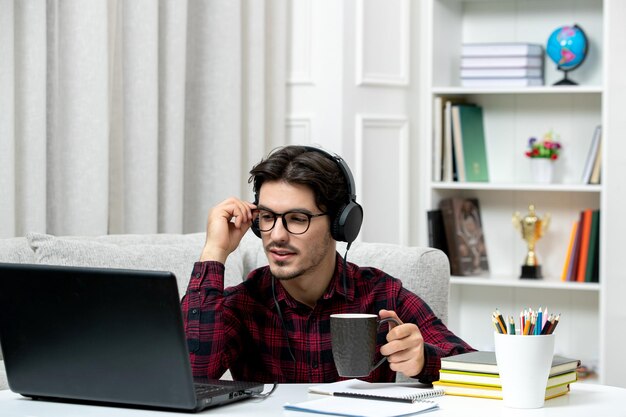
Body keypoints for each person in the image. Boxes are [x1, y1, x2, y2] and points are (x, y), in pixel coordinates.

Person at [182, 145, 474, 384]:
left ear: (340, 224)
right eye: (268, 217)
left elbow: (477, 370)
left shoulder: (382, 296)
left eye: (298, 219)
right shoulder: (242, 303)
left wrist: (424, 359)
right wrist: (214, 251)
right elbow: (191, 377)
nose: (277, 236)